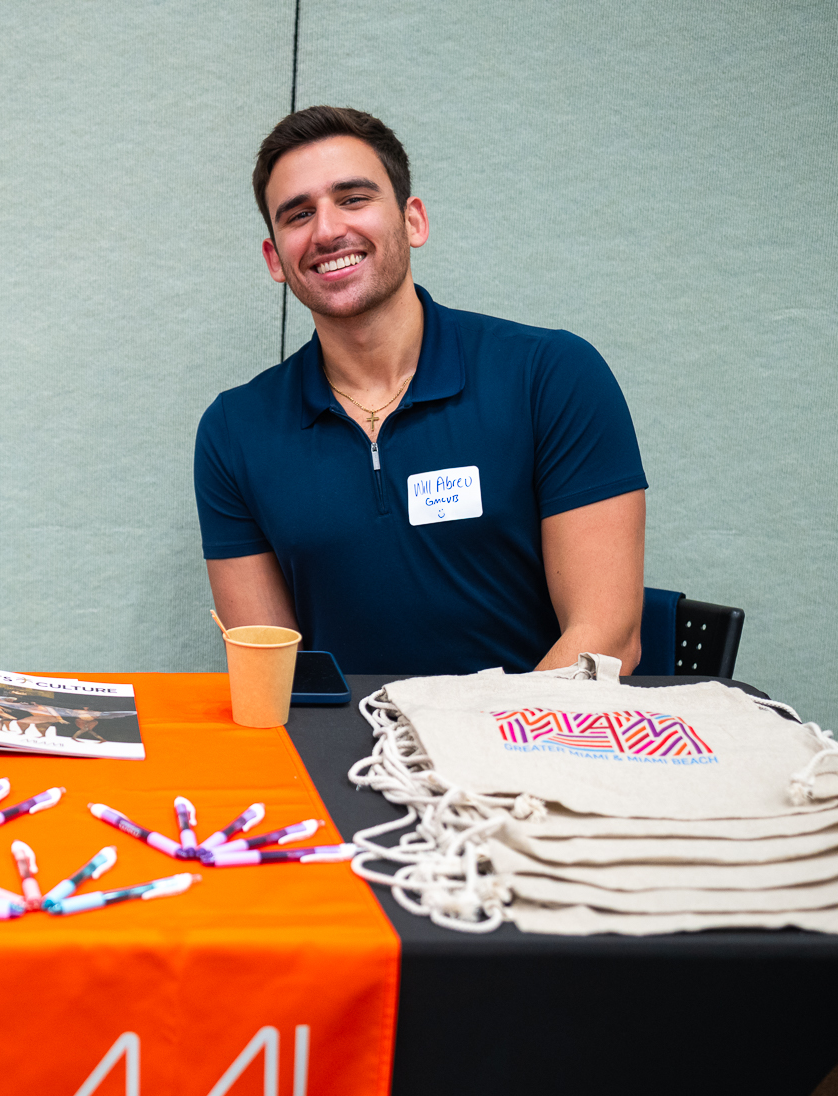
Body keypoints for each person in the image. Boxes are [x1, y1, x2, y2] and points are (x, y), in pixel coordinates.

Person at [194, 106, 648, 675]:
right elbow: (271, 674)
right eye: (299, 214)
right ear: (275, 259)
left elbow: (607, 638)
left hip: (529, 727)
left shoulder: (551, 375)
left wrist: (482, 733)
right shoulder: (235, 431)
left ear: (413, 222)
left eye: (353, 199)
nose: (327, 230)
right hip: (349, 735)